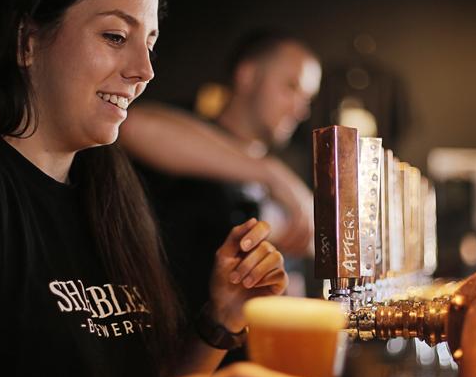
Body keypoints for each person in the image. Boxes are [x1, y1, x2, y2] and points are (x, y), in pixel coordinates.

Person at [0, 0, 348, 377]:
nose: (144, 71)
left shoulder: (107, 195)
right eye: (116, 36)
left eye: (151, 44)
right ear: (26, 42)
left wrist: (219, 322)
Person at [117, 31, 322, 325]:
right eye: (291, 87)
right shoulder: (190, 135)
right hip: (192, 347)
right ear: (248, 75)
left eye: (307, 98)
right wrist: (271, 174)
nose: (301, 109)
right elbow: (134, 126)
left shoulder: (288, 174)